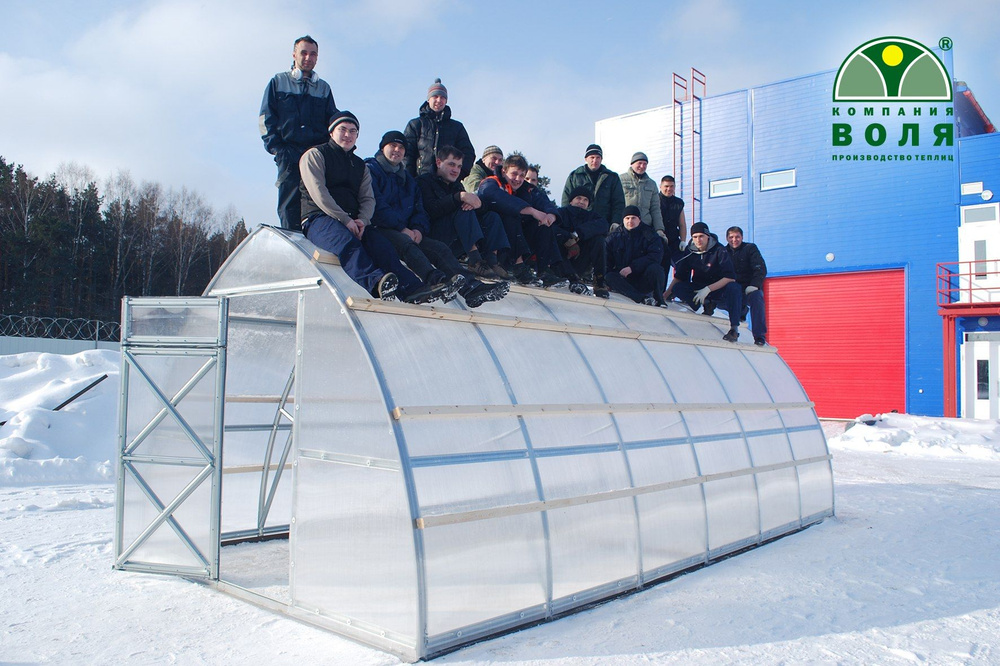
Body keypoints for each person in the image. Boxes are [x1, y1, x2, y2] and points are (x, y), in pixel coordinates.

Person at [298, 111, 450, 304]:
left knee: (383, 246)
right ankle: (377, 282)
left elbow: (368, 198)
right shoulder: (315, 155)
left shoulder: (359, 165)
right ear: (331, 132)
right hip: (318, 218)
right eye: (342, 129)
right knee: (347, 243)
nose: (348, 135)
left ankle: (413, 289)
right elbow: (319, 193)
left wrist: (362, 220)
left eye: (353, 131)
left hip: (355, 221)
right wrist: (345, 219)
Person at [366, 131, 508, 308]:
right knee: (407, 244)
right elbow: (377, 205)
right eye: (393, 146)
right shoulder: (372, 170)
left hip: (411, 231)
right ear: (382, 148)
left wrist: (417, 228)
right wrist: (403, 228)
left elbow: (419, 210)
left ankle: (471, 288)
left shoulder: (407, 180)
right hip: (383, 228)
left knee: (439, 249)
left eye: (401, 147)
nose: (397, 150)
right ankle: (437, 281)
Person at [259, 35, 338, 231]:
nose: (308, 58)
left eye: (313, 54)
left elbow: (333, 123)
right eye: (303, 53)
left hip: (314, 155)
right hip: (288, 151)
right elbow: (265, 118)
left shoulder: (323, 89)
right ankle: (291, 245)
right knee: (289, 204)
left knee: (317, 201)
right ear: (294, 54)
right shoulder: (278, 82)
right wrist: (276, 149)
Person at [479, 154, 587, 292]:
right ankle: (517, 266)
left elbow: (542, 200)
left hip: (515, 240)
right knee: (512, 215)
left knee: (543, 225)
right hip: (492, 240)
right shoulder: (492, 182)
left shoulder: (526, 188)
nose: (518, 179)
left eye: (522, 175)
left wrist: (551, 215)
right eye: (514, 174)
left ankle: (545, 270)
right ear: (504, 171)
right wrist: (530, 210)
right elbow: (496, 197)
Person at [418, 145, 511, 280]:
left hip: (456, 240)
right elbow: (430, 210)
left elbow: (477, 208)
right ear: (438, 162)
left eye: (459, 166)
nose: (456, 170)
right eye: (451, 164)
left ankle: (492, 260)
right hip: (433, 238)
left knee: (491, 216)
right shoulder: (424, 181)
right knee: (462, 210)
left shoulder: (456, 185)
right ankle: (474, 260)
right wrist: (458, 198)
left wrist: (478, 205)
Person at [664, 221, 743, 342]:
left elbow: (730, 277)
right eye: (695, 237)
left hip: (718, 289)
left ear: (708, 236)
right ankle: (707, 304)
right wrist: (664, 296)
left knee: (735, 288)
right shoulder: (690, 251)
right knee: (678, 287)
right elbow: (679, 276)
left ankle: (734, 329)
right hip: (699, 288)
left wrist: (708, 289)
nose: (698, 240)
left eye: (701, 236)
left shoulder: (719, 250)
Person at [403, 78, 476, 179]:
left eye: (442, 97)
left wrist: (457, 176)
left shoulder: (456, 127)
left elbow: (468, 153)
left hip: (447, 183)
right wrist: (410, 178)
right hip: (420, 181)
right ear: (429, 99)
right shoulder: (415, 124)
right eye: (435, 96)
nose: (439, 100)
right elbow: (407, 153)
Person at [604, 206, 666, 306]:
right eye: (627, 218)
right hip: (623, 279)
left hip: (643, 277)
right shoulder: (613, 237)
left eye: (633, 218)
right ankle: (641, 299)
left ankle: (659, 299)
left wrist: (633, 267)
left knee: (657, 269)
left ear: (639, 219)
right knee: (609, 276)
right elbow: (606, 261)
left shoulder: (650, 235)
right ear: (623, 220)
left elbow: (655, 256)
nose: (630, 221)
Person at [555, 186, 610, 298]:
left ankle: (599, 281)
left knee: (598, 239)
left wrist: (577, 234)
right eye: (578, 198)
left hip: (581, 259)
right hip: (561, 260)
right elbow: (552, 229)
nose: (581, 202)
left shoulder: (592, 216)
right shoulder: (560, 213)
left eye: (585, 200)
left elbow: (604, 225)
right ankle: (570, 277)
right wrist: (568, 239)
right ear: (571, 200)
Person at [561, 144, 625, 232]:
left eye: (598, 157)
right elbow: (566, 199)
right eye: (592, 157)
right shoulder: (575, 176)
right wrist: (565, 221)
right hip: (577, 225)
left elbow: (618, 202)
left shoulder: (612, 177)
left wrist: (616, 222)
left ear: (601, 159)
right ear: (586, 159)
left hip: (604, 225)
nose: (595, 160)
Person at [726, 226, 768, 346]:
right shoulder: (723, 252)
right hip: (733, 289)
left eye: (737, 237)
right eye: (731, 237)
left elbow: (760, 268)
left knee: (757, 298)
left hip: (749, 288)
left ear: (742, 237)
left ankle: (759, 336)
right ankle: (734, 329)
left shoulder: (750, 248)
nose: (734, 240)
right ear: (727, 238)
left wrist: (755, 285)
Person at [620, 152, 663, 234]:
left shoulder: (652, 184)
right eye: (639, 163)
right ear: (632, 164)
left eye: (645, 164)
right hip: (626, 226)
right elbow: (616, 204)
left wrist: (659, 229)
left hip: (645, 226)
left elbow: (655, 208)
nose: (642, 166)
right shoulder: (621, 180)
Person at [659, 175, 686, 257]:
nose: (669, 189)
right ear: (660, 187)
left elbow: (682, 224)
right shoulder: (654, 201)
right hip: (658, 239)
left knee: (682, 263)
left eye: (672, 186)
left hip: (673, 239)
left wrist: (683, 241)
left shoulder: (679, 203)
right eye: (666, 186)